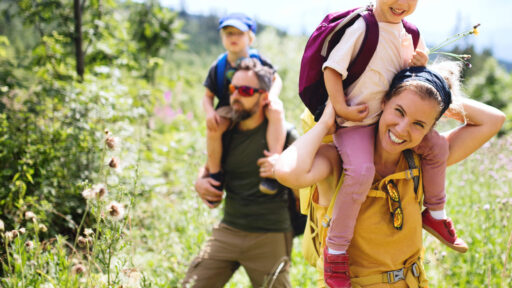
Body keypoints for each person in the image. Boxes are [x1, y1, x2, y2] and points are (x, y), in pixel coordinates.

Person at [275, 63, 505, 287]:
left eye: (418, 123)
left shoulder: (421, 162)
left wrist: (435, 95)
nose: (402, 128)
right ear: (382, 102)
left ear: (429, 129)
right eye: (399, 111)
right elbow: (287, 172)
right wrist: (325, 123)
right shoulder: (339, 161)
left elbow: (493, 120)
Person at [302, 1, 467, 285]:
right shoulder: (362, 27)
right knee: (361, 172)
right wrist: (340, 108)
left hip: (387, 122)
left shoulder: (411, 32)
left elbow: (415, 74)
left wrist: (420, 65)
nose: (402, 4)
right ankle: (336, 249)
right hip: (356, 123)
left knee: (437, 146)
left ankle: (436, 213)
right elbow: (332, 69)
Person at [183, 58, 298, 288]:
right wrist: (199, 183)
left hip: (270, 234)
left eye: (245, 90)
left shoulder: (285, 134)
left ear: (264, 97)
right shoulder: (225, 130)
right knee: (191, 285)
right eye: (233, 89)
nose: (235, 96)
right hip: (229, 229)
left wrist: (282, 172)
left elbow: (306, 189)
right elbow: (207, 168)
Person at [203, 13, 286, 197]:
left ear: (250, 37)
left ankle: (272, 166)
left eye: (239, 33)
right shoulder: (219, 66)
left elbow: (276, 79)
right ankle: (215, 176)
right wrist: (210, 113)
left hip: (257, 102)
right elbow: (207, 96)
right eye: (228, 33)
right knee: (213, 128)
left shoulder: (259, 60)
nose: (233, 38)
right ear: (222, 37)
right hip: (228, 107)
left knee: (276, 110)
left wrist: (272, 96)